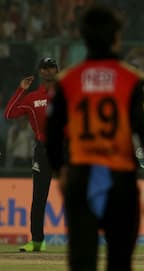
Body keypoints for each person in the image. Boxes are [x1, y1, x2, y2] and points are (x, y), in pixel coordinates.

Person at [45, 5, 144, 271]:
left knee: (81, 261)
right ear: (116, 38)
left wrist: (58, 170)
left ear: (83, 37)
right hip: (120, 180)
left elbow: (51, 134)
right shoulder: (132, 79)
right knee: (120, 262)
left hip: (81, 176)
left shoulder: (68, 80)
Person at [4, 56, 58, 252]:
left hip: (66, 148)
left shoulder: (65, 94)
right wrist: (21, 90)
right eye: (45, 68)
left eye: (52, 67)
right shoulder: (33, 98)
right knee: (39, 197)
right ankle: (37, 241)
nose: (49, 70)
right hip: (43, 151)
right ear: (40, 72)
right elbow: (9, 114)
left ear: (56, 71)